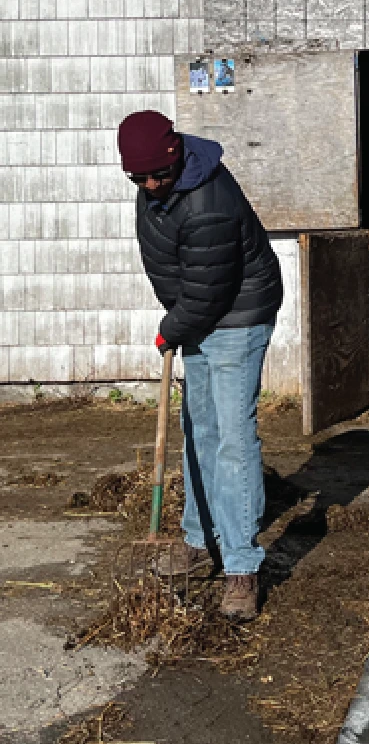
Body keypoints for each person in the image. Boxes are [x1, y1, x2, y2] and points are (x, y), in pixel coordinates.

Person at [117, 110, 283, 621]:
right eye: (138, 178)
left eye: (157, 176)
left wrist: (172, 328)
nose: (149, 185)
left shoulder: (208, 200)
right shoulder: (158, 189)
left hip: (236, 314)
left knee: (231, 438)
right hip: (199, 315)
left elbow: (210, 289)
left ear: (176, 160)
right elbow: (173, 267)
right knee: (200, 430)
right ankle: (198, 540)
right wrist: (180, 321)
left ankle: (240, 565)